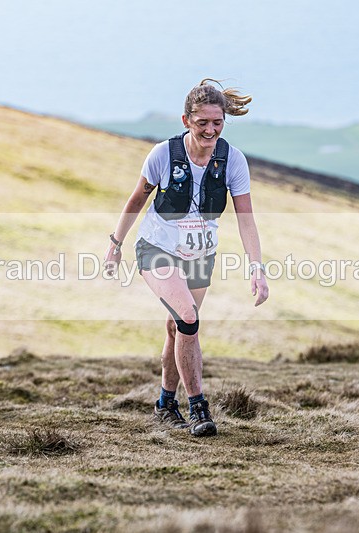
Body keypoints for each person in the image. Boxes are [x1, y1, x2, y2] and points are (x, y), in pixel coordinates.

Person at [104, 79, 269, 437]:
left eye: (217, 122)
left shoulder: (233, 160)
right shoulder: (163, 155)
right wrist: (116, 244)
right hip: (156, 248)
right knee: (189, 319)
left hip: (200, 255)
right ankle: (198, 408)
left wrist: (257, 267)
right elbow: (136, 201)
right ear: (185, 120)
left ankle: (165, 402)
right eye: (202, 123)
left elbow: (246, 218)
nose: (210, 130)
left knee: (178, 327)